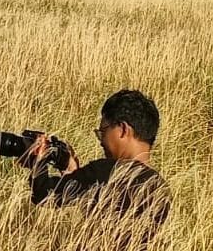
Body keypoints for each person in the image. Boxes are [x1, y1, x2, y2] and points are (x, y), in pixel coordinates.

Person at [24, 89, 170, 248]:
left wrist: (37, 159)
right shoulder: (160, 187)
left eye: (103, 131)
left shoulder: (106, 171)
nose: (101, 141)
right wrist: (72, 171)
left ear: (122, 129)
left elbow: (46, 195)